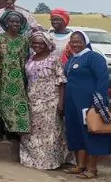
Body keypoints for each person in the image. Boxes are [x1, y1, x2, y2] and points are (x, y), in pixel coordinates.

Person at [63, 30, 111, 178]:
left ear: (86, 42)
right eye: (72, 42)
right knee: (76, 133)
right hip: (72, 104)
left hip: (89, 103)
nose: (75, 44)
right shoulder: (73, 58)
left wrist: (99, 102)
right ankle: (80, 165)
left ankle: (92, 169)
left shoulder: (94, 57)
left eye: (78, 41)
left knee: (92, 134)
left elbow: (103, 79)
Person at [19, 31, 68, 170]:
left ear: (47, 44)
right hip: (32, 100)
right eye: (35, 43)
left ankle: (50, 161)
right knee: (33, 132)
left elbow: (61, 82)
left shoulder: (54, 59)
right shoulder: (31, 58)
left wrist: (61, 103)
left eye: (41, 43)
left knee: (50, 132)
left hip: (50, 101)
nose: (37, 45)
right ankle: (33, 159)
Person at [0, 10, 30, 141]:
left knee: (15, 105)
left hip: (18, 78)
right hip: (1, 76)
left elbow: (26, 59)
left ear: (21, 24)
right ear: (6, 23)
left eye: (17, 22)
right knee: (1, 104)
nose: (15, 24)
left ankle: (11, 131)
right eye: (12, 21)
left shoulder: (24, 40)